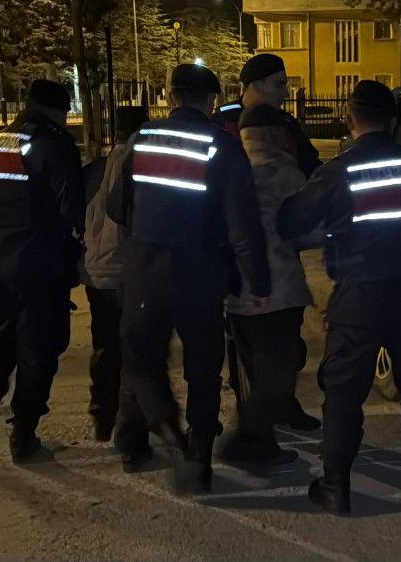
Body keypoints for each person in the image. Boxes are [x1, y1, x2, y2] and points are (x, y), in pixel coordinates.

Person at [277, 79, 401, 514]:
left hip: (360, 296)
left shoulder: (339, 171)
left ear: (349, 118)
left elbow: (293, 221)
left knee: (344, 391)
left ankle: (336, 486)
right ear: (393, 120)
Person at [106, 63, 270, 495]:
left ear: (169, 95)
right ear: (212, 101)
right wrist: (257, 282)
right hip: (201, 270)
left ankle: (164, 434)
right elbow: (243, 225)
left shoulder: (141, 139)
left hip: (145, 268)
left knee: (143, 360)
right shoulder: (222, 145)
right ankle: (199, 454)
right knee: (203, 367)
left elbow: (115, 206)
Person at [0, 79, 84, 463]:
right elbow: (73, 207)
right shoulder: (54, 143)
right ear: (58, 110)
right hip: (37, 261)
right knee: (39, 349)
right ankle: (24, 434)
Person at [218, 102, 325, 467]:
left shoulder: (233, 171)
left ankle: (265, 434)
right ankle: (250, 442)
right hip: (276, 291)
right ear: (278, 135)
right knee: (278, 373)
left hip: (237, 291)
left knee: (255, 370)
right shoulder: (284, 174)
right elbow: (307, 231)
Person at [80, 106, 148, 442]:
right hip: (130, 271)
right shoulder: (142, 168)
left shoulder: (93, 170)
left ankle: (102, 414)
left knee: (105, 345)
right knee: (136, 350)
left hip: (97, 273)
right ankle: (132, 425)